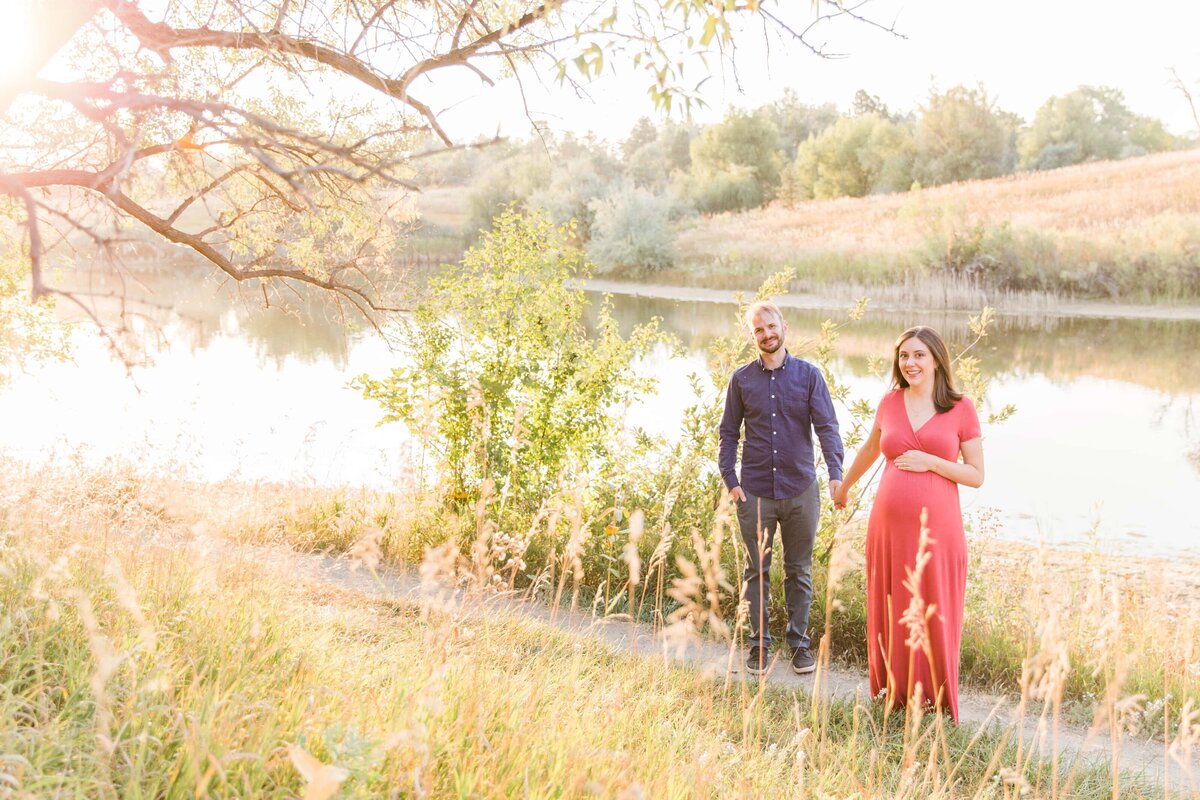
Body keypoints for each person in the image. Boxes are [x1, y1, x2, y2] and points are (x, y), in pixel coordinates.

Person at [833, 326, 984, 723]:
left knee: (933, 607)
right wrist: (844, 487)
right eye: (904, 356)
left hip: (939, 529)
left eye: (918, 355)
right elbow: (870, 449)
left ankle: (933, 700)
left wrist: (931, 461)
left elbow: (975, 475)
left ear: (936, 359)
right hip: (888, 528)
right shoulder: (889, 402)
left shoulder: (961, 407)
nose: (910, 363)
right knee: (891, 604)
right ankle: (891, 694)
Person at [719, 301, 843, 676]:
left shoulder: (808, 376)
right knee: (757, 571)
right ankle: (758, 646)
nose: (766, 334)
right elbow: (728, 433)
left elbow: (827, 427)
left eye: (771, 327)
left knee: (799, 571)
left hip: (801, 489)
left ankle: (799, 645)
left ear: (784, 327)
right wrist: (731, 480)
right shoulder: (741, 380)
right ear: (752, 335)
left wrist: (836, 472)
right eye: (758, 330)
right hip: (754, 491)